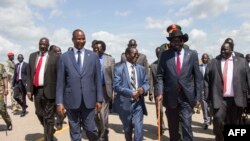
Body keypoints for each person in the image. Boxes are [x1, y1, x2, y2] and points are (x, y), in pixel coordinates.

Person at [56, 29, 103, 141]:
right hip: (71, 101)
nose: (81, 41)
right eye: (78, 38)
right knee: (75, 132)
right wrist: (59, 102)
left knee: (91, 129)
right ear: (73, 39)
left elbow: (97, 80)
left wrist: (99, 99)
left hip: (89, 100)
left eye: (83, 38)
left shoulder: (93, 56)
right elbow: (60, 82)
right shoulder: (64, 57)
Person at [156, 29, 202, 141]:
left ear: (183, 41)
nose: (176, 43)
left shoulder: (192, 55)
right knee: (173, 128)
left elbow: (198, 78)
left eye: (179, 40)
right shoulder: (165, 55)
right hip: (170, 97)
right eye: (173, 41)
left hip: (186, 97)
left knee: (186, 125)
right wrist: (159, 92)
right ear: (170, 43)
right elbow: (160, 76)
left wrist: (198, 97)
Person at [204, 41, 250, 141]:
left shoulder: (242, 62)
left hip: (236, 99)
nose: (223, 51)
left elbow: (248, 80)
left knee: (234, 123)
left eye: (225, 49)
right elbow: (206, 81)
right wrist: (207, 98)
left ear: (232, 50)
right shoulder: (213, 62)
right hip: (219, 99)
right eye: (222, 49)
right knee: (218, 120)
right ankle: (220, 138)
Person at [113, 47, 149, 141]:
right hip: (125, 104)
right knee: (127, 129)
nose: (137, 55)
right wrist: (131, 93)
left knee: (139, 128)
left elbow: (146, 83)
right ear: (127, 55)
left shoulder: (141, 69)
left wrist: (142, 89)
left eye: (138, 54)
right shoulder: (119, 68)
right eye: (134, 54)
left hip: (138, 104)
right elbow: (116, 86)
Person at [26, 37, 59, 141]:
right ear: (39, 44)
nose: (42, 46)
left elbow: (58, 75)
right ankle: (49, 130)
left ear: (48, 45)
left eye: (45, 44)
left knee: (49, 118)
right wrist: (29, 90)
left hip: (50, 90)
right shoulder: (32, 56)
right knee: (39, 113)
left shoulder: (55, 57)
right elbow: (29, 74)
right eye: (41, 44)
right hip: (37, 90)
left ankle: (48, 138)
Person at [93, 40, 115, 141]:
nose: (96, 50)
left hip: (104, 89)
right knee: (93, 114)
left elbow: (113, 76)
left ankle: (103, 135)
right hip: (92, 90)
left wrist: (114, 92)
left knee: (102, 113)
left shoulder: (110, 59)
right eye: (95, 48)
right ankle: (101, 129)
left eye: (98, 48)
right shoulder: (90, 59)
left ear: (103, 49)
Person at [149, 47, 166, 135]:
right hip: (157, 91)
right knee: (159, 110)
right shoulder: (152, 66)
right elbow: (151, 80)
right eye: (157, 54)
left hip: (168, 91)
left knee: (170, 111)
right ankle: (160, 127)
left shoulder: (167, 63)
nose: (159, 55)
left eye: (160, 53)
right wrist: (150, 92)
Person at [199, 53, 210, 129]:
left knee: (210, 107)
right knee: (204, 106)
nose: (204, 59)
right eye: (203, 58)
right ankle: (206, 121)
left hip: (210, 90)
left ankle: (210, 119)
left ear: (208, 59)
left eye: (205, 58)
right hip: (202, 90)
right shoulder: (199, 67)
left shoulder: (212, 67)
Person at [0, 63, 12, 130]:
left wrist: (6, 89)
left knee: (1, 108)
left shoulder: (1, 66)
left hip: (0, 91)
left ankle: (8, 122)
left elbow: (5, 78)